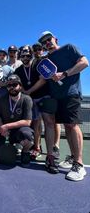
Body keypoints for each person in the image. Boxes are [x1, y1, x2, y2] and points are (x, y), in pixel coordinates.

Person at [38, 30, 89, 181]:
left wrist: (64, 74)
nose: (47, 43)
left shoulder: (69, 48)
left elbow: (85, 63)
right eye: (44, 42)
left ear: (55, 39)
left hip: (71, 94)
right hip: (56, 97)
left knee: (72, 126)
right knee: (67, 127)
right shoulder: (47, 58)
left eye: (49, 39)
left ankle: (79, 164)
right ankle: (73, 158)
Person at [0, 74, 34, 166]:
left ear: (20, 86)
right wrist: (2, 127)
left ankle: (25, 152)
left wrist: (6, 126)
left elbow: (27, 122)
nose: (12, 87)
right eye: (9, 85)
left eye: (15, 85)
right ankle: (11, 146)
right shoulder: (1, 99)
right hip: (5, 132)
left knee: (28, 137)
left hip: (20, 131)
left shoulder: (27, 99)